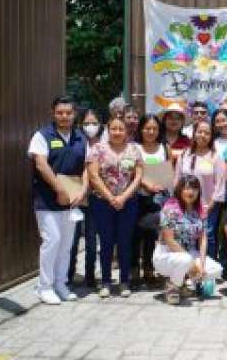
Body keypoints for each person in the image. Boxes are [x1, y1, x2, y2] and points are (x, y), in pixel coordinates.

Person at [29, 96, 88, 304]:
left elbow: (87, 166)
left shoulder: (80, 137)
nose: (64, 116)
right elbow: (41, 164)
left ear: (74, 114)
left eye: (68, 113)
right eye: (60, 112)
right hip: (47, 200)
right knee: (52, 241)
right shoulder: (42, 135)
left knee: (66, 245)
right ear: (53, 113)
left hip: (72, 200)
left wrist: (83, 190)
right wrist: (59, 189)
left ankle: (60, 284)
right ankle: (44, 286)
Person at [87, 117, 143, 298]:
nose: (117, 132)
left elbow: (138, 176)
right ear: (107, 129)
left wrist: (123, 197)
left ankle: (124, 281)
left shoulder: (134, 149)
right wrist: (111, 198)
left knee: (125, 242)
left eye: (121, 129)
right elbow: (93, 176)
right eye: (114, 128)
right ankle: (105, 281)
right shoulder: (97, 149)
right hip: (102, 202)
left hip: (128, 203)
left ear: (126, 131)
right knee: (106, 242)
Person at [153, 175, 223, 305]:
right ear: (179, 190)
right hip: (167, 254)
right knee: (185, 260)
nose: (191, 192)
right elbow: (169, 240)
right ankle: (173, 286)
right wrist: (192, 265)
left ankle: (183, 282)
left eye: (194, 189)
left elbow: (203, 238)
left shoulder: (200, 209)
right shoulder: (170, 208)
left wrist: (201, 265)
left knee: (215, 269)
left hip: (189, 252)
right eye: (186, 188)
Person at [131, 114, 173, 287]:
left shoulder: (164, 147)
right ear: (141, 129)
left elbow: (168, 171)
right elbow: (130, 171)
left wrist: (163, 187)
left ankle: (149, 270)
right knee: (134, 235)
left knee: (151, 235)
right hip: (136, 196)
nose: (150, 131)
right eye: (147, 128)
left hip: (157, 198)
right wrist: (145, 184)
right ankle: (133, 272)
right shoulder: (134, 147)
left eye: (154, 128)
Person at [175, 121, 227, 260]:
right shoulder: (184, 154)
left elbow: (220, 184)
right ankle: (188, 269)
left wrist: (210, 206)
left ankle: (208, 269)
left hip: (207, 205)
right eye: (200, 131)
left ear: (211, 136)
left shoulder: (216, 156)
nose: (202, 135)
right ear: (194, 133)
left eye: (207, 133)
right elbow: (177, 180)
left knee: (207, 236)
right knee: (185, 236)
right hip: (185, 205)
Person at [68, 108, 102, 288]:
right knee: (72, 239)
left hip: (96, 198)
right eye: (87, 123)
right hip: (75, 194)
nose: (90, 127)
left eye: (94, 123)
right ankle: (69, 274)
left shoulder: (103, 144)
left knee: (91, 239)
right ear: (81, 125)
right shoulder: (76, 142)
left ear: (100, 125)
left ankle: (90, 276)